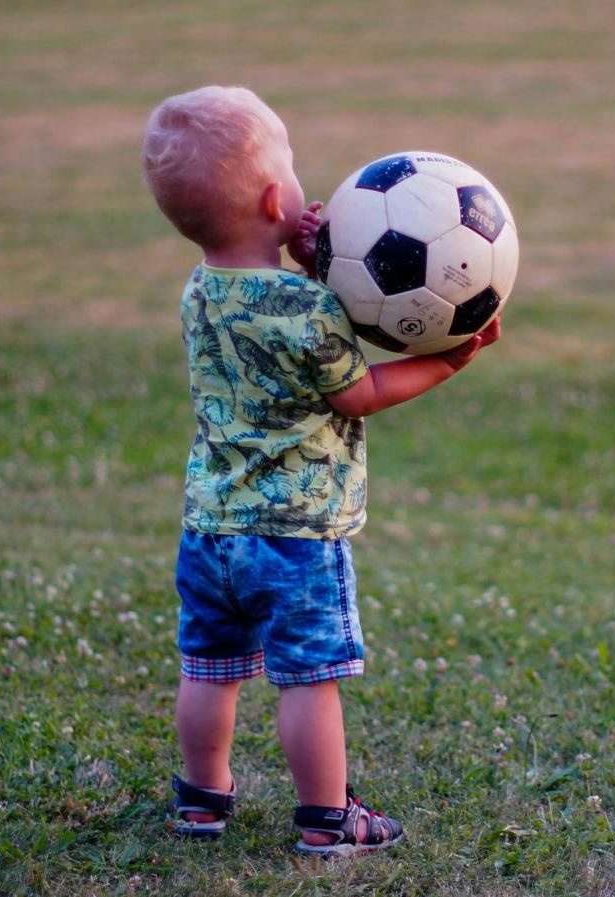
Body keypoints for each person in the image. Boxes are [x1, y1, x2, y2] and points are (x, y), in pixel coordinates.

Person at [140, 86, 500, 856]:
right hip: (295, 535)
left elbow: (259, 311)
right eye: (294, 169)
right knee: (309, 677)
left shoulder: (197, 293)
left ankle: (201, 799)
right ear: (278, 197)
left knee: (209, 666)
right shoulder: (309, 310)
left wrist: (306, 257)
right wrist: (446, 362)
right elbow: (358, 392)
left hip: (210, 525)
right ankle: (327, 819)